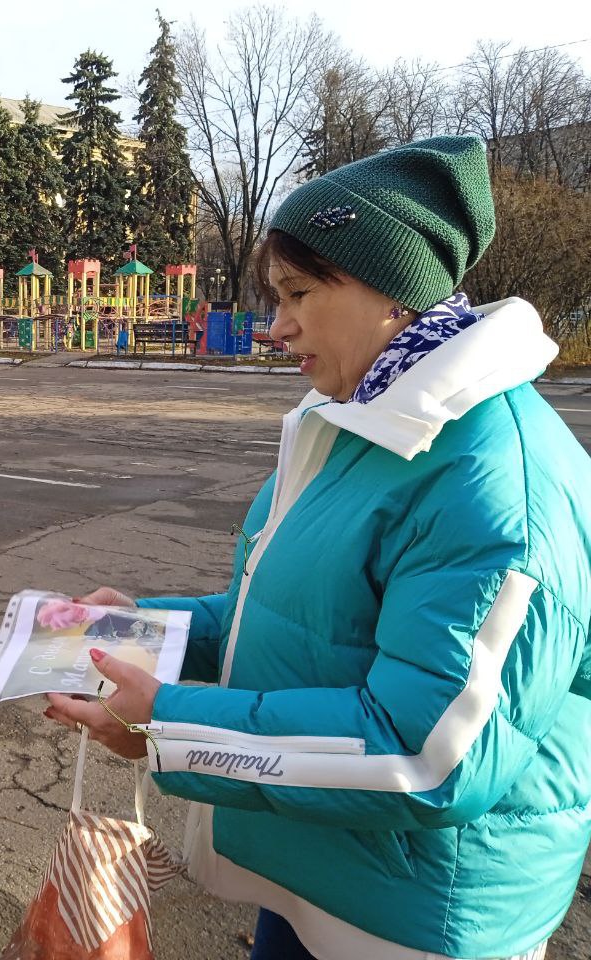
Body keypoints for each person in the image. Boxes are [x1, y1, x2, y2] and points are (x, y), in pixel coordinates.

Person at [45, 136, 591, 960]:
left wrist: (169, 727)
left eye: (298, 293)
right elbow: (297, 618)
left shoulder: (492, 483)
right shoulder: (358, 422)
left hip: (413, 918)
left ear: (393, 294)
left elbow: (429, 749)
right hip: (324, 868)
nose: (276, 327)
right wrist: (147, 628)